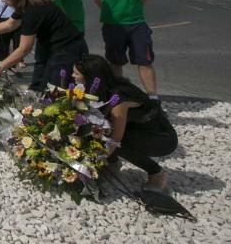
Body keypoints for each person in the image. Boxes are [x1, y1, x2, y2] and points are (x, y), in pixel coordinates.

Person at [72, 55, 177, 191]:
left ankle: (156, 173)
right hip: (138, 130)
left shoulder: (119, 101)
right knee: (99, 130)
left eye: (76, 73)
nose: (72, 76)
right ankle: (112, 163)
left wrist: (92, 164)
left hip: (161, 138)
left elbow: (116, 138)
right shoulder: (102, 88)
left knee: (116, 142)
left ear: (89, 76)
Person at [0, 0, 88, 92]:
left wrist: (0, 66)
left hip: (66, 50)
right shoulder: (26, 4)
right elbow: (10, 24)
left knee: (55, 91)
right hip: (51, 48)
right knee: (38, 85)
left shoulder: (32, 10)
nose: (3, 0)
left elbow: (24, 49)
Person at [92, 0, 157, 96]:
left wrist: (132, 9)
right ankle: (118, 95)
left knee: (145, 61)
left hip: (137, 24)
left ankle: (153, 97)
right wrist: (112, 12)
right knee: (115, 62)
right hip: (113, 25)